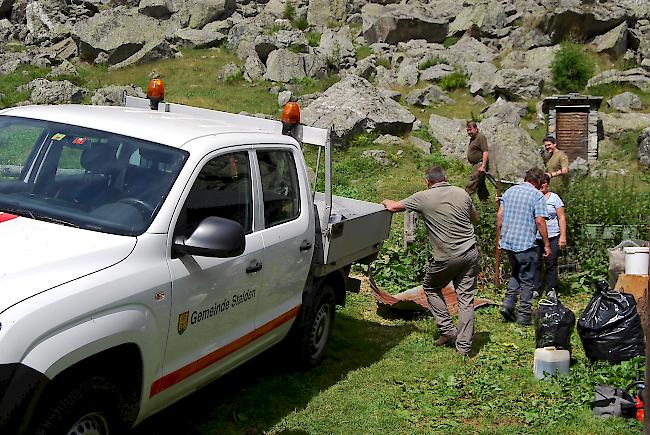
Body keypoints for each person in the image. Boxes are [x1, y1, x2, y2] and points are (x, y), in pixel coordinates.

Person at [382, 166, 480, 356]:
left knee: (431, 288)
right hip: (470, 253)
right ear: (446, 178)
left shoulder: (423, 197)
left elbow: (393, 207)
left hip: (446, 257)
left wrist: (385, 200)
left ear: (428, 182)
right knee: (466, 300)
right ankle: (464, 348)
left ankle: (448, 330)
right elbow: (474, 218)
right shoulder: (462, 193)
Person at [496, 167, 550, 326]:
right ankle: (524, 316)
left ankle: (508, 305)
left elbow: (500, 216)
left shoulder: (510, 191)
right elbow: (540, 221)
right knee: (527, 280)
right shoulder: (537, 195)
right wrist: (546, 244)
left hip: (509, 243)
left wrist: (500, 238)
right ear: (538, 181)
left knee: (515, 273)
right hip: (526, 244)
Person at [533, 174, 567, 301]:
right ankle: (536, 288)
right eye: (539, 182)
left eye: (544, 182)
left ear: (548, 184)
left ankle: (551, 289)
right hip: (536, 236)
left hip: (553, 235)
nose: (542, 185)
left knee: (551, 263)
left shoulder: (554, 198)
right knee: (535, 262)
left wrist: (562, 236)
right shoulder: (534, 197)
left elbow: (561, 217)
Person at [464, 121, 489, 202]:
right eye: (467, 130)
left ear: (476, 129)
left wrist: (483, 166)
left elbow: (485, 152)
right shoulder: (473, 139)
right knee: (481, 187)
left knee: (471, 184)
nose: (469, 132)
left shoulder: (480, 137)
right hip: (476, 165)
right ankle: (486, 204)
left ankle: (463, 201)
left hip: (480, 165)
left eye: (470, 130)